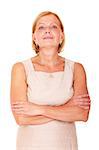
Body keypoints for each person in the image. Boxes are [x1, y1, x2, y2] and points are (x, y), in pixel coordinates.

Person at [10, 11, 90, 150]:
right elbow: (21, 118)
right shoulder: (21, 68)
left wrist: (37, 109)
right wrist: (66, 109)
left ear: (61, 36)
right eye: (41, 27)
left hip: (65, 145)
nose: (47, 30)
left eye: (53, 26)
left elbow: (82, 114)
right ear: (34, 37)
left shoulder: (76, 69)